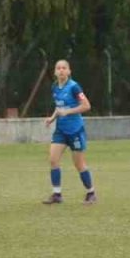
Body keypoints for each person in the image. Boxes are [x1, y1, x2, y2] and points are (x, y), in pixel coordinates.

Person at [42, 59, 96, 205]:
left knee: (79, 164)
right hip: (60, 130)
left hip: (75, 130)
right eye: (58, 68)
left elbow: (86, 106)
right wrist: (52, 118)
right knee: (53, 160)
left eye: (64, 68)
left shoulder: (74, 87)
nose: (61, 70)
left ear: (69, 71)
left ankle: (91, 192)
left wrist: (68, 112)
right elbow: (59, 106)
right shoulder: (54, 87)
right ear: (54, 72)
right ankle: (57, 194)